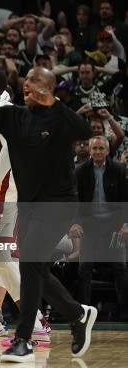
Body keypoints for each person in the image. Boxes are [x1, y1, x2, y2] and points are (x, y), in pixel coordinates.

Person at [0, 67, 98, 362]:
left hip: (60, 204)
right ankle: (77, 313)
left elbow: (85, 130)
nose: (28, 84)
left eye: (37, 80)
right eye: (27, 80)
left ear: (49, 88)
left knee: (31, 263)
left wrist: (57, 104)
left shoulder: (60, 118)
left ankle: (23, 340)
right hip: (29, 205)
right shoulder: (14, 116)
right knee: (31, 268)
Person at [75, 136, 128, 321]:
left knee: (120, 267)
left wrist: (126, 225)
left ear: (107, 151)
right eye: (94, 148)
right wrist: (75, 223)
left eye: (101, 148)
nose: (97, 151)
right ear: (90, 150)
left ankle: (124, 311)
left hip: (114, 227)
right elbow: (75, 201)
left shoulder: (119, 170)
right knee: (84, 268)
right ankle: (84, 312)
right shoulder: (80, 171)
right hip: (89, 226)